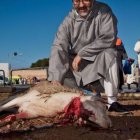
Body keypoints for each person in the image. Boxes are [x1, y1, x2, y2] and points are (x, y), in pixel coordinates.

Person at [48, 0, 128, 112]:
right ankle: (88, 97)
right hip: (77, 65)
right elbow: (58, 46)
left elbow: (108, 38)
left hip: (97, 58)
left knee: (110, 54)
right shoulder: (68, 21)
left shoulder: (104, 11)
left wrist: (82, 53)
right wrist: (56, 78)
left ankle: (112, 101)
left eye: (85, 0)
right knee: (57, 68)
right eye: (77, 1)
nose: (81, 5)